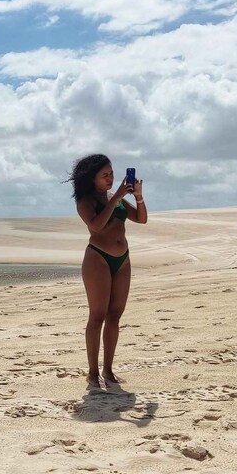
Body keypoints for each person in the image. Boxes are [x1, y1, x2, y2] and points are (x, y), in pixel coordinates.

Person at [67, 154, 147, 388]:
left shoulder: (116, 197)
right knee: (97, 315)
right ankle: (92, 373)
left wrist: (139, 197)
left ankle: (108, 370)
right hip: (97, 259)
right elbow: (96, 225)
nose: (111, 179)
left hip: (122, 260)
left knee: (115, 316)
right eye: (105, 175)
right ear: (92, 178)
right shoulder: (85, 201)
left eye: (112, 173)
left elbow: (141, 220)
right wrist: (118, 197)